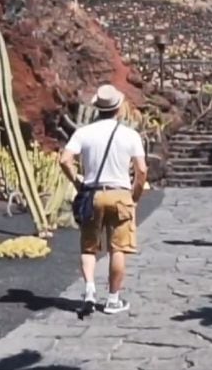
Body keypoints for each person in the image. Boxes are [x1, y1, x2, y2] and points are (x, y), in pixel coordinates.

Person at [59, 84, 148, 315]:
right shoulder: (130, 135)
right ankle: (113, 299)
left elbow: (64, 160)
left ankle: (89, 290)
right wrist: (134, 196)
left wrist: (78, 182)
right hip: (120, 194)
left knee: (89, 246)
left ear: (97, 108)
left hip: (92, 193)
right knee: (117, 248)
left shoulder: (84, 133)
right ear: (119, 109)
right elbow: (142, 170)